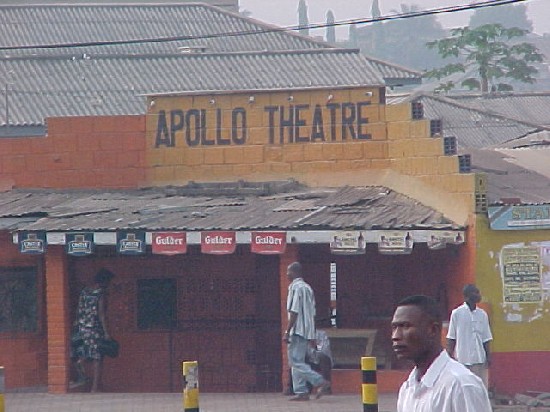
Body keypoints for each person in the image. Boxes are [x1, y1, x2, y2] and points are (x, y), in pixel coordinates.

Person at [392, 295, 491, 412]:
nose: (396, 336)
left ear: (433, 330)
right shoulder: (408, 389)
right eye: (394, 327)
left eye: (406, 326)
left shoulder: (462, 386)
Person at [283, 262, 330, 401]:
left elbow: (294, 311)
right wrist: (312, 334)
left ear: (293, 273)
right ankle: (301, 391)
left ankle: (320, 381)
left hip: (297, 330)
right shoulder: (308, 288)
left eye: (288, 272)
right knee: (297, 361)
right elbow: (312, 313)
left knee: (295, 361)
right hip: (307, 330)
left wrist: (288, 330)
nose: (286, 274)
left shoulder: (294, 288)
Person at [71, 268, 115, 392]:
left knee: (86, 350)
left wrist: (78, 324)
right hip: (95, 328)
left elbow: (78, 309)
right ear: (105, 281)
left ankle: (81, 361)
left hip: (82, 327)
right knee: (98, 358)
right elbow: (101, 314)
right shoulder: (100, 294)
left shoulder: (84, 292)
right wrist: (106, 332)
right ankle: (95, 388)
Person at [447, 284, 493, 389]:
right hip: (462, 360)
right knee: (463, 389)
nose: (478, 295)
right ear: (467, 296)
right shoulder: (457, 313)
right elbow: (451, 338)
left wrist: (488, 356)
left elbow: (486, 338)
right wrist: (449, 358)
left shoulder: (482, 314)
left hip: (479, 359)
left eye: (478, 292)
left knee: (480, 389)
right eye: (475, 293)